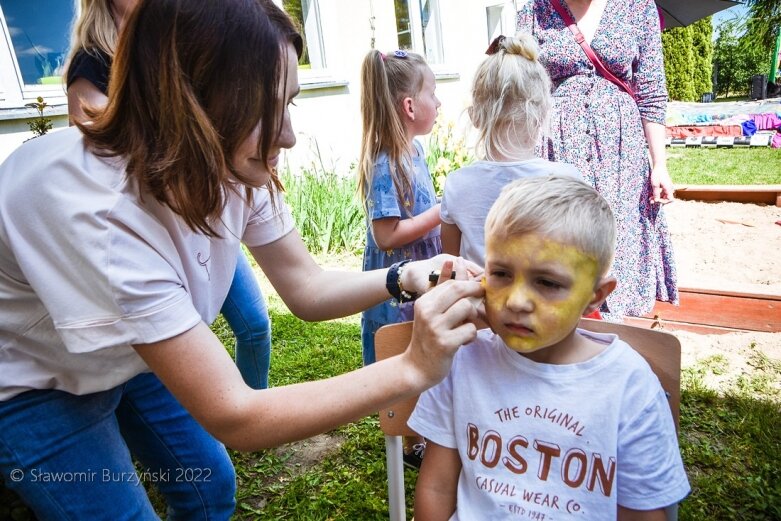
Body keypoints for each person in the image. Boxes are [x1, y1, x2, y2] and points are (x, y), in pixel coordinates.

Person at [0, 1, 483, 518]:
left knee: (209, 488)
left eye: (290, 103)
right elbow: (236, 414)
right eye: (264, 109)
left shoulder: (231, 161)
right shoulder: (99, 214)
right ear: (187, 102)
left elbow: (306, 287)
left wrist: (404, 276)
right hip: (33, 381)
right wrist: (413, 367)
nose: (289, 136)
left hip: (128, 354)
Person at [409, 174, 690, 520]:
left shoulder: (628, 386)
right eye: (501, 274)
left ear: (595, 297)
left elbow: (643, 514)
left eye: (547, 282)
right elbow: (436, 486)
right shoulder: (463, 359)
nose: (517, 300)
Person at [65, 0, 273, 391]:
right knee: (173, 348)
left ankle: (253, 405)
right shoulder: (92, 63)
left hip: (199, 221)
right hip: (150, 233)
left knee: (255, 324)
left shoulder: (182, 43)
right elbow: (104, 148)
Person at [516, 0, 678, 321]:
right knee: (566, 237)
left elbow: (651, 90)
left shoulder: (637, 6)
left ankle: (618, 332)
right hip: (558, 147)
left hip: (623, 153)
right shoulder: (534, 10)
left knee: (621, 233)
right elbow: (523, 90)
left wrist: (659, 164)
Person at [357, 48, 443, 467]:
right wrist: (440, 214)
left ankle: (416, 434)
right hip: (396, 288)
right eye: (433, 93)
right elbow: (387, 235)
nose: (439, 102)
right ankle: (407, 443)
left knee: (421, 350)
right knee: (400, 356)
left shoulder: (415, 151)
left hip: (418, 279)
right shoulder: (386, 162)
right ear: (410, 106)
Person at [440, 32, 580, 267]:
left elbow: (452, 266)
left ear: (475, 117)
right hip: (548, 303)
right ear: (542, 113)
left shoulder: (457, 184)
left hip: (481, 303)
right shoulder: (570, 180)